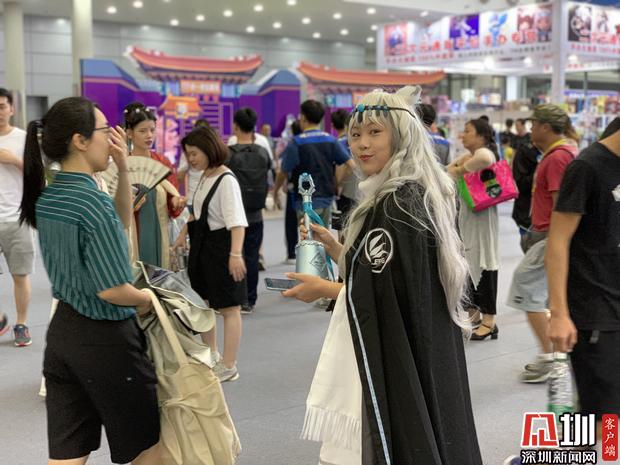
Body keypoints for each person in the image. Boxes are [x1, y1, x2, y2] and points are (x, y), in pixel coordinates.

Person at [283, 87, 482, 464]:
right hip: (421, 341)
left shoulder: (395, 206)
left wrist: (324, 288)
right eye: (356, 134)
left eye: (375, 132)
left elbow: (383, 295)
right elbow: (387, 275)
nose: (362, 144)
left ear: (401, 135)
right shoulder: (415, 194)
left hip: (394, 352)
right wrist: (335, 247)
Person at [20, 96, 161, 465]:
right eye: (104, 130)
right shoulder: (90, 202)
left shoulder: (50, 196)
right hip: (108, 340)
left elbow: (119, 222)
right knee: (149, 449)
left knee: (68, 455)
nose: (112, 139)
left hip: (63, 335)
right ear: (80, 140)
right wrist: (150, 300)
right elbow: (113, 290)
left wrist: (123, 169)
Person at [546, 117, 620, 446]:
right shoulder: (587, 168)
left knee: (602, 412)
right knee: (602, 418)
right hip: (595, 308)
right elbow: (557, 242)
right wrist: (559, 314)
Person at [506, 104, 578, 383]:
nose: (531, 129)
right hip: (544, 233)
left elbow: (563, 206)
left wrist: (555, 245)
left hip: (549, 235)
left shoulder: (558, 157)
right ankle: (556, 354)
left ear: (546, 127)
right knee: (541, 295)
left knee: (525, 288)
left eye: (534, 124)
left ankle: (551, 357)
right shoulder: (558, 154)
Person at [174, 127, 248, 382]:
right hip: (204, 248)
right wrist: (183, 233)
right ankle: (212, 355)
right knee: (205, 305)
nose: (191, 159)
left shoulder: (226, 180)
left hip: (222, 249)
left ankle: (229, 365)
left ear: (209, 149)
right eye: (188, 154)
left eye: (195, 153)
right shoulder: (205, 175)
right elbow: (197, 213)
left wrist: (235, 255)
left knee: (230, 307)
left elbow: (237, 223)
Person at [447, 118, 500, 340]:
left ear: (481, 136)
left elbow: (460, 169)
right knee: (470, 264)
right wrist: (460, 166)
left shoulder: (484, 153)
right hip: (469, 220)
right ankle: (474, 315)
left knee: (485, 264)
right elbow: (447, 171)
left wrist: (460, 168)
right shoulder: (470, 156)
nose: (463, 135)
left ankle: (489, 322)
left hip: (482, 222)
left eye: (468, 131)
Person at [273, 99, 355, 227]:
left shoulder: (296, 142)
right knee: (323, 235)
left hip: (304, 201)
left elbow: (283, 172)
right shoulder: (331, 140)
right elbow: (351, 164)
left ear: (303, 117)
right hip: (326, 199)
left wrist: (275, 192)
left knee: (307, 237)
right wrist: (338, 184)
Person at [123, 102, 185, 268]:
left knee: (160, 273)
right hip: (134, 233)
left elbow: (174, 204)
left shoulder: (162, 162)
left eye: (152, 130)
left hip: (160, 232)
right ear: (129, 133)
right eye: (142, 131)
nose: (149, 135)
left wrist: (176, 202)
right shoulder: (123, 164)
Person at [227, 108, 271, 314]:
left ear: (235, 126)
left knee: (234, 254)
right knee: (252, 256)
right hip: (256, 213)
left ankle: (236, 296)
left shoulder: (228, 154)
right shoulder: (262, 152)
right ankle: (250, 300)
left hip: (233, 215)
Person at [0, 87, 35, 346]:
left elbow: (38, 176)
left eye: (2, 106)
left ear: (11, 109)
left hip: (16, 218)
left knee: (19, 275)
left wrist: (13, 160)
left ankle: (21, 324)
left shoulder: (23, 139)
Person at [511, 118, 540, 248]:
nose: (532, 128)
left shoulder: (558, 153)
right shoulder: (524, 150)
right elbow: (520, 182)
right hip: (526, 213)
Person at [331, 108, 360, 231]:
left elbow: (341, 167)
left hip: (345, 191)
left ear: (333, 125)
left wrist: (338, 185)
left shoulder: (338, 143)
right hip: (359, 188)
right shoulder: (355, 140)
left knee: (343, 228)